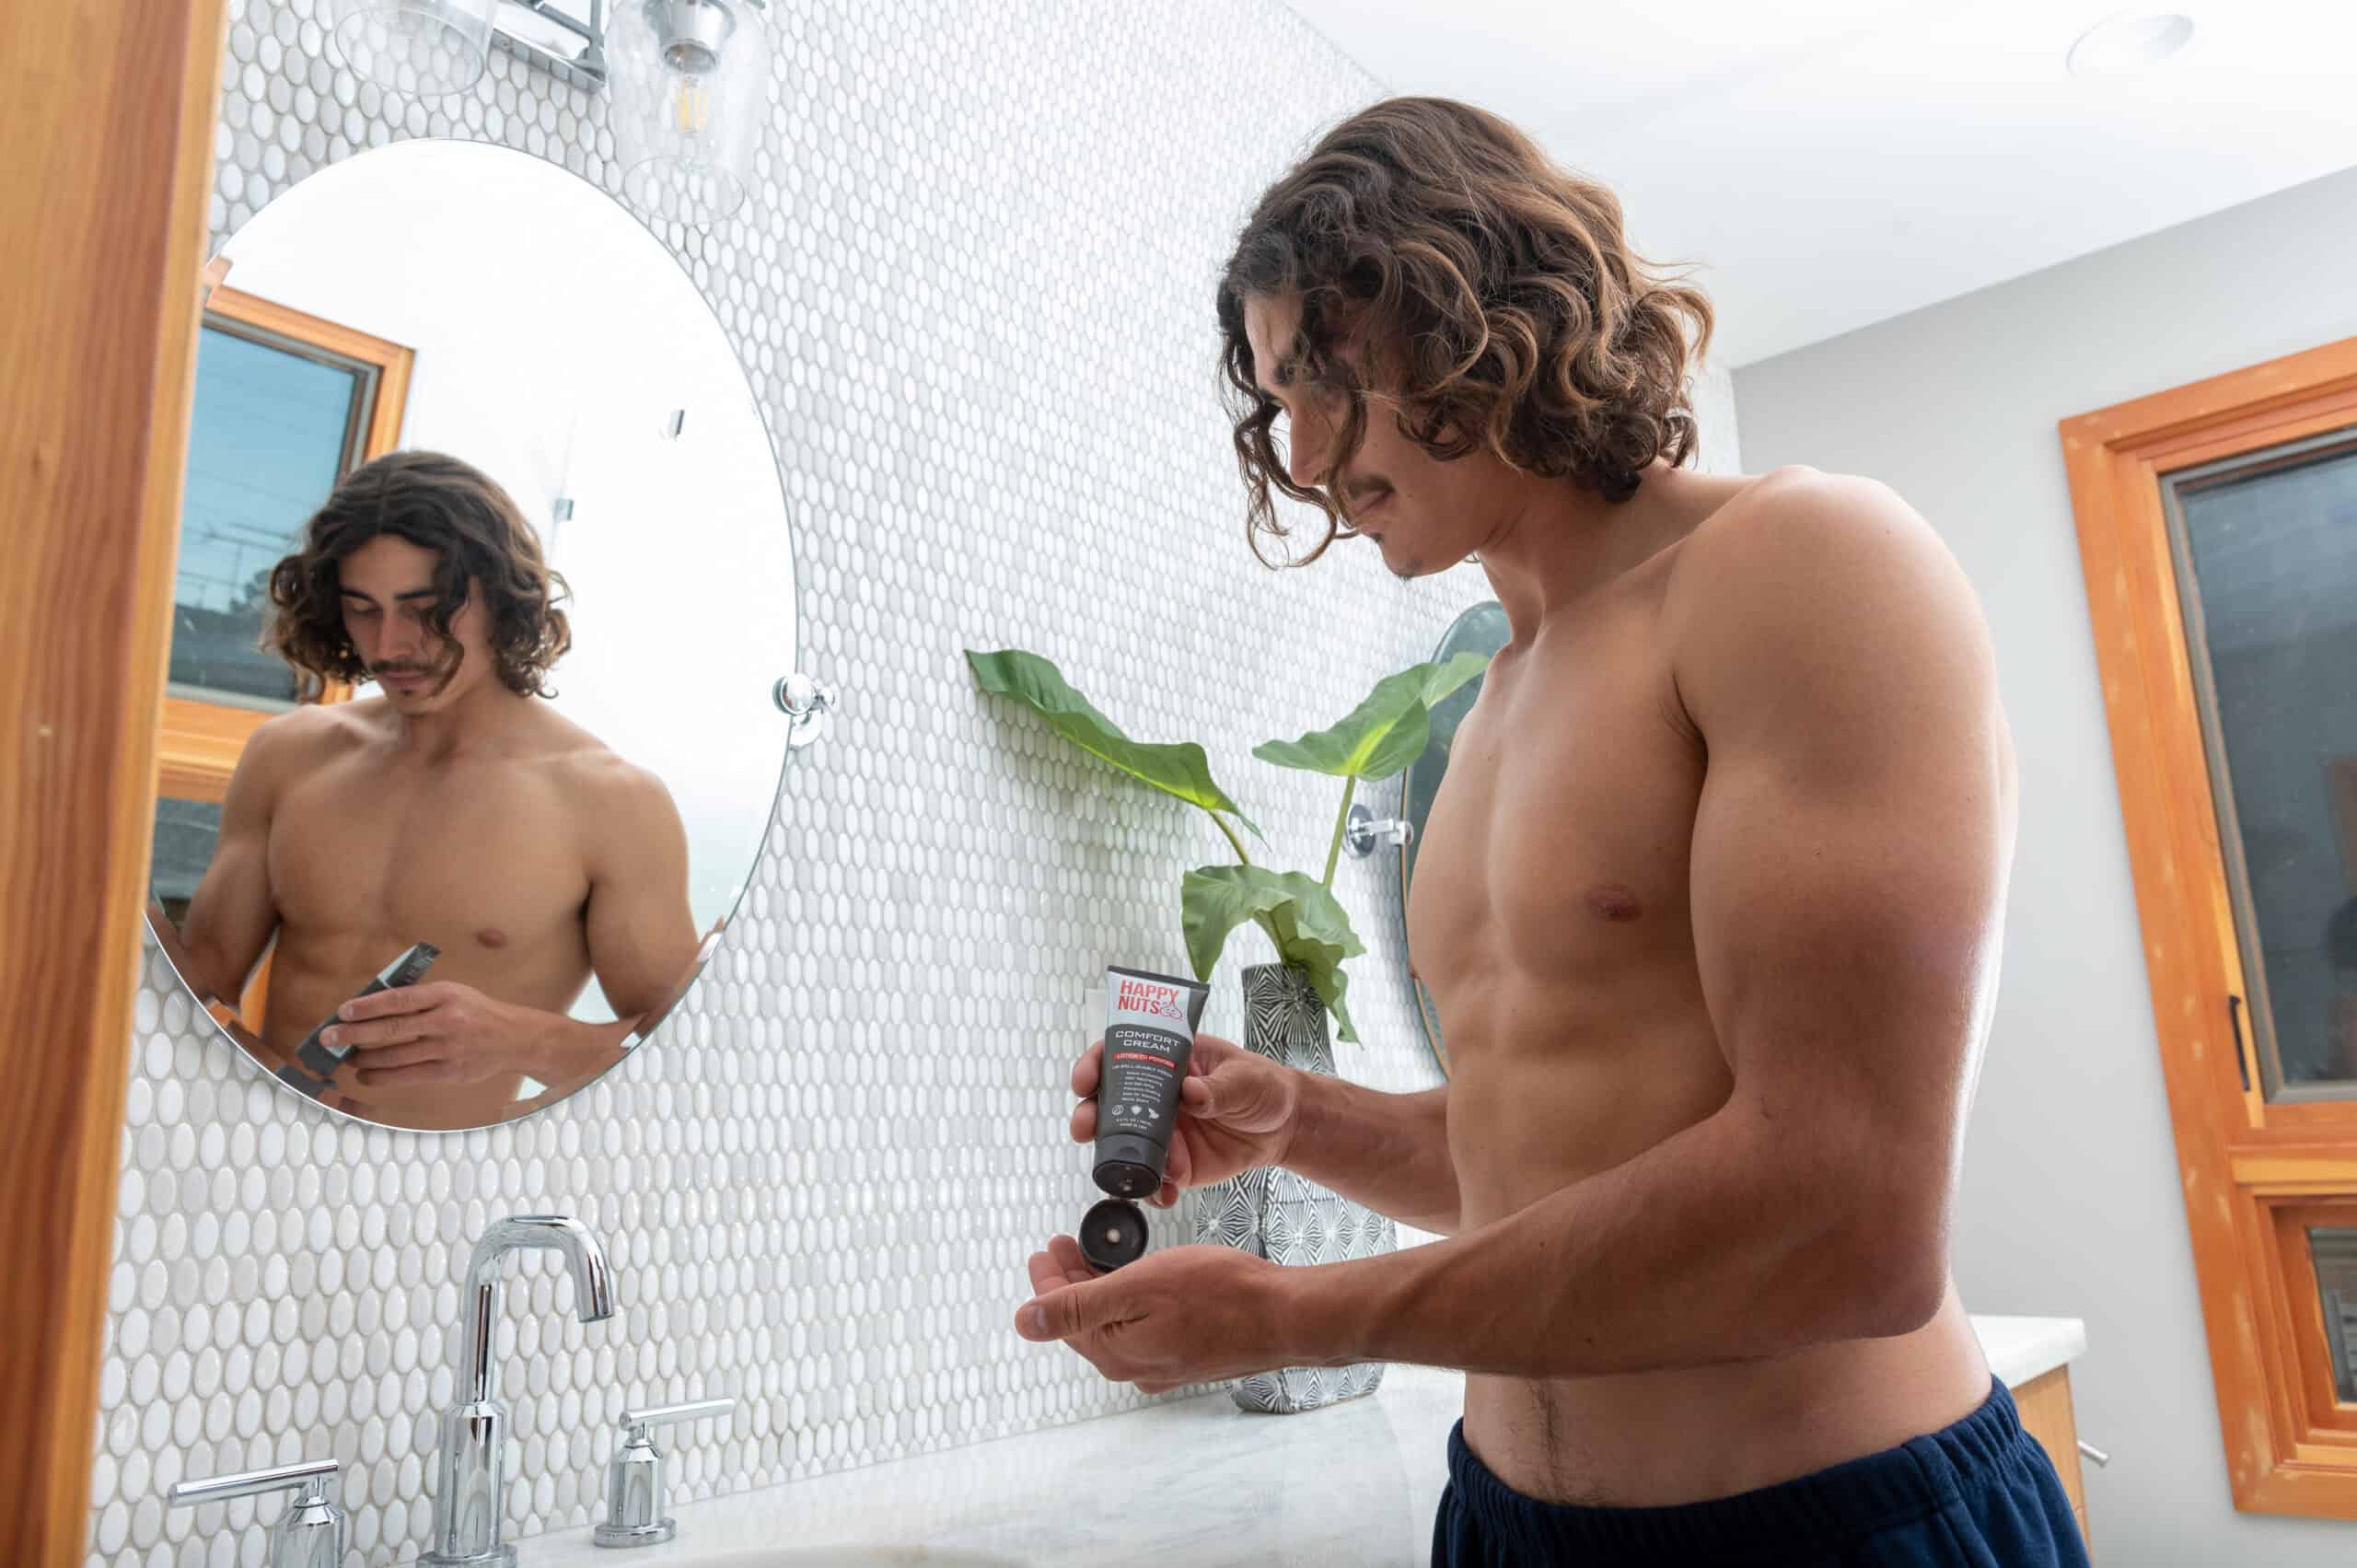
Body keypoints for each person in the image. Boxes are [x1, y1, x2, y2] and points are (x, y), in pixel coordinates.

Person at [1015, 98, 2084, 1566]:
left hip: (1828, 1522)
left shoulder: (1803, 565)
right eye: (1276, 399)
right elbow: (1556, 1158)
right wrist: (1303, 1117)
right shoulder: (1500, 694)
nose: (1308, 450)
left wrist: (1312, 1311)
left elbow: (1849, 1206)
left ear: (1479, 311)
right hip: (1506, 1525)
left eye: (1329, 375)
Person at [169, 449, 700, 1130]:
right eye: (363, 610)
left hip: (442, 1194)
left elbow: (685, 1066)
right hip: (257, 1163)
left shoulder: (608, 803)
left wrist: (520, 1038)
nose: (388, 645)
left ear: (499, 600)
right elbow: (195, 988)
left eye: (424, 610)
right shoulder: (289, 755)